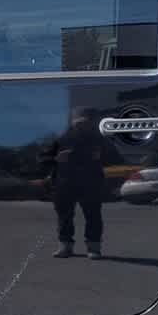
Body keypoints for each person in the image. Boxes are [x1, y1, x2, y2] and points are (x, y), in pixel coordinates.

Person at [43, 109, 106, 258]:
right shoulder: (60, 137)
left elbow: (113, 158)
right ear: (72, 121)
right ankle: (65, 247)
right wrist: (57, 159)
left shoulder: (98, 138)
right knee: (64, 216)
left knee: (93, 215)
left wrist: (99, 157)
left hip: (90, 182)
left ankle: (93, 248)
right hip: (64, 183)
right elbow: (43, 158)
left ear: (90, 122)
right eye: (78, 122)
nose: (81, 126)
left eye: (85, 122)